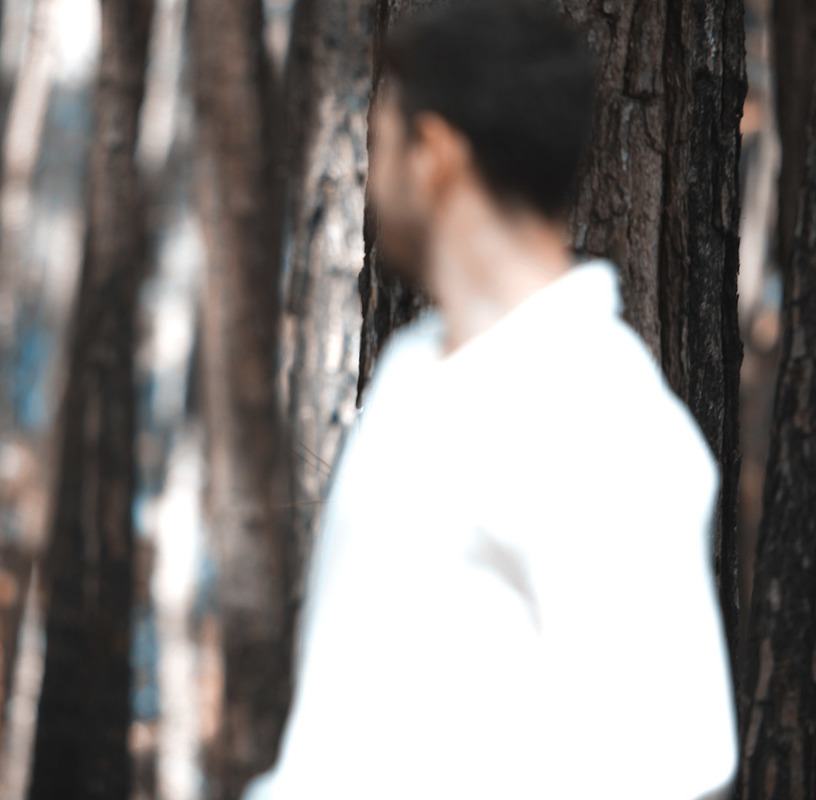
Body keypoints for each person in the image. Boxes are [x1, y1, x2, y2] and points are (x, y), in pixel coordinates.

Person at [243, 2, 738, 798]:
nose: (373, 168)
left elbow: (676, 759)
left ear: (435, 154)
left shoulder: (602, 417)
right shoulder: (415, 371)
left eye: (384, 135)